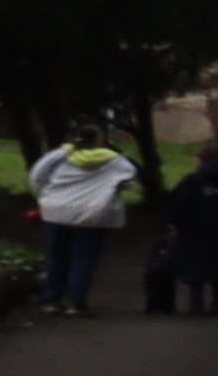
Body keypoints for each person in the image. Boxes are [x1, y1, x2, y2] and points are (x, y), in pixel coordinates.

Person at [25, 127, 141, 315]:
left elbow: (36, 177)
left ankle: (50, 299)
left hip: (56, 212)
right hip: (92, 216)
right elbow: (129, 180)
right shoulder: (114, 160)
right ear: (98, 140)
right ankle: (75, 302)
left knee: (56, 257)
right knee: (83, 259)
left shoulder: (58, 156)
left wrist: (45, 198)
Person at [164, 144, 218, 317]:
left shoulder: (193, 181)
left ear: (201, 160)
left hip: (195, 232)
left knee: (195, 270)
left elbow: (178, 205)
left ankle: (196, 304)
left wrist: (173, 221)